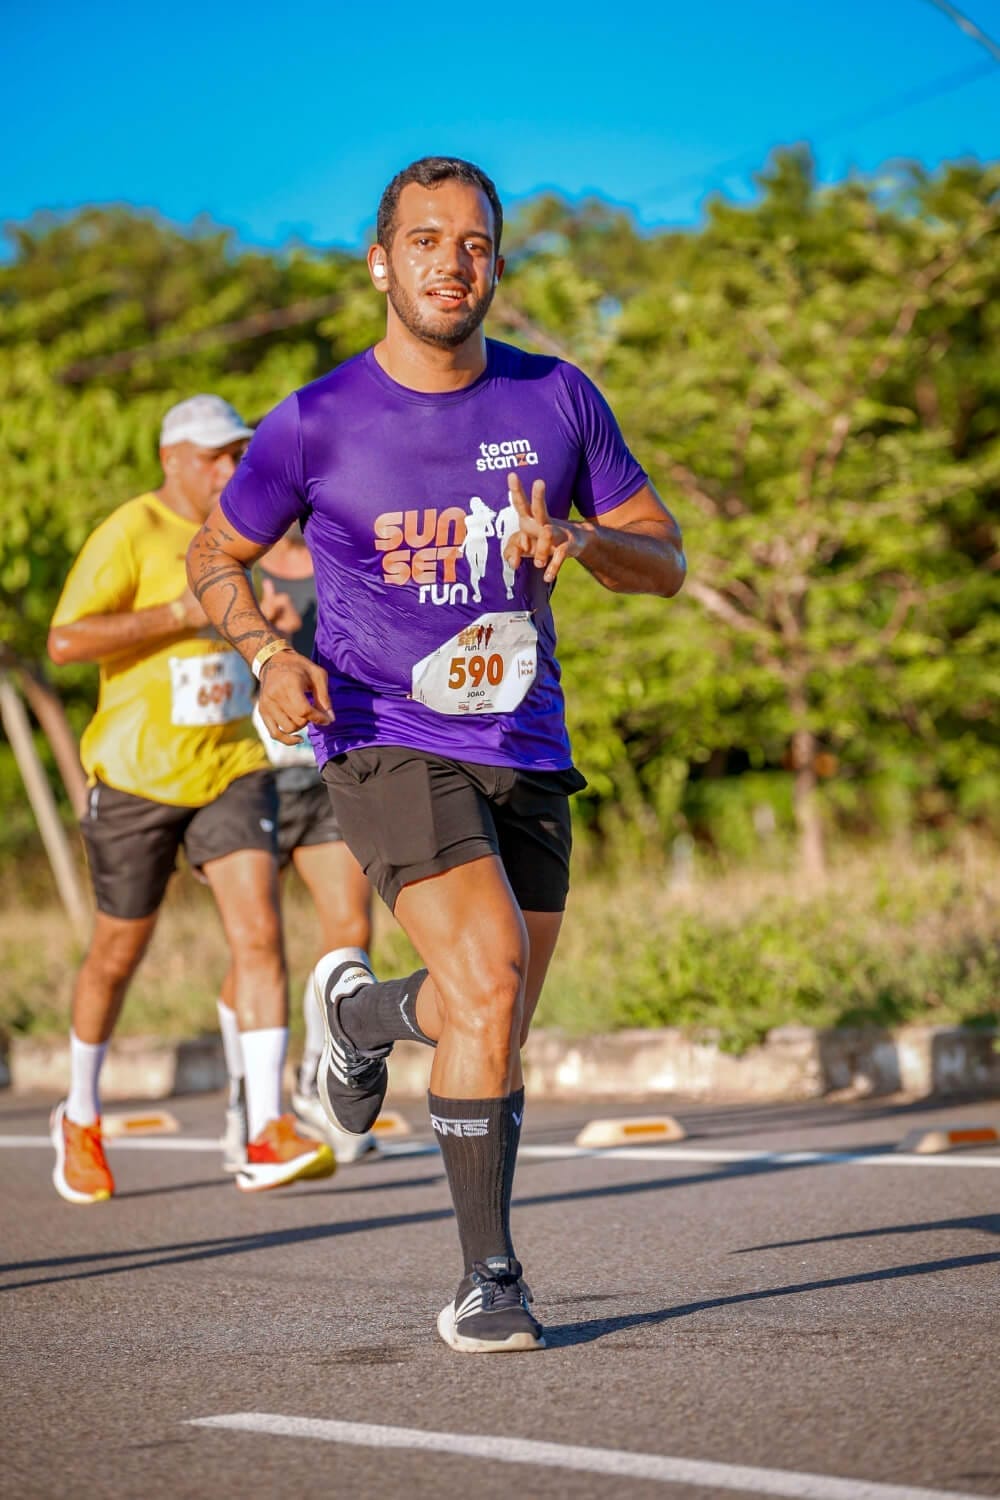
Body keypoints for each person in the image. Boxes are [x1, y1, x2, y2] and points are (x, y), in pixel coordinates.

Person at [187, 158, 685, 1351]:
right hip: (380, 734)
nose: (449, 262)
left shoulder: (557, 399)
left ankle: (361, 1021)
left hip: (524, 736)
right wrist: (263, 653)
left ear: (495, 265)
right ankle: (491, 1281)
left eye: (472, 244)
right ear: (380, 261)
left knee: (488, 1014)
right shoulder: (315, 420)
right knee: (492, 974)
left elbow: (662, 559)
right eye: (423, 241)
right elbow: (215, 555)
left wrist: (579, 539)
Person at [47, 394, 336, 1203]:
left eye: (237, 453)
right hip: (138, 775)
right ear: (171, 456)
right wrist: (179, 611)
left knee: (259, 932)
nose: (229, 468)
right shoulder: (130, 530)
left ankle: (265, 1124)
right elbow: (66, 640)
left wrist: (266, 626)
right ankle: (80, 1113)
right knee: (116, 953)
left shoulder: (245, 527)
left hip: (230, 767)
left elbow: (252, 622)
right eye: (214, 455)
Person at [217, 523, 378, 1169]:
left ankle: (317, 1075)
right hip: (248, 775)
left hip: (323, 768)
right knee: (256, 942)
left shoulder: (339, 560)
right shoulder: (233, 571)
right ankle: (244, 1096)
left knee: (349, 924)